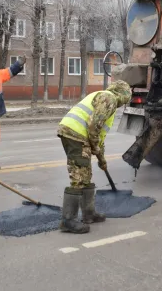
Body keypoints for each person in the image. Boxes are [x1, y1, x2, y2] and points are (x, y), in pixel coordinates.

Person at [56, 80, 132, 234]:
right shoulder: (109, 98)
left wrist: (102, 159)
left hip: (76, 134)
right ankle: (68, 220)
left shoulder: (107, 101)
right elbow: (93, 126)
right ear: (123, 95)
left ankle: (88, 214)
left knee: (86, 173)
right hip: (76, 134)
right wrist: (95, 146)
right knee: (79, 175)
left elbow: (99, 135)